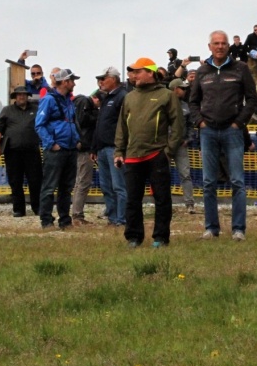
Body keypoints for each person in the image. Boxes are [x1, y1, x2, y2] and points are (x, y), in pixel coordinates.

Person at [190, 30, 257, 242]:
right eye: (216, 43)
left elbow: (252, 99)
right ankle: (211, 229)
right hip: (208, 131)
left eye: (223, 43)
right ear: (209, 47)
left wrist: (239, 123)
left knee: (237, 181)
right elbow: (193, 102)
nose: (220, 46)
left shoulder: (241, 68)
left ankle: (238, 230)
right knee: (208, 182)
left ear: (228, 46)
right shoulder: (202, 71)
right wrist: (200, 122)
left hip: (233, 131)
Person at [115, 58, 184, 249]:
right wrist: (119, 151)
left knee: (162, 199)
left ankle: (161, 238)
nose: (133, 75)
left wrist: (168, 152)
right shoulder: (129, 97)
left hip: (156, 155)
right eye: (132, 72)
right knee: (132, 200)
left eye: (137, 72)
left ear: (150, 73)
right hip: (132, 156)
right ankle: (133, 237)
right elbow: (121, 127)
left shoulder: (167, 95)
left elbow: (178, 126)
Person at [35, 69, 81, 230]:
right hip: (56, 150)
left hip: (70, 149)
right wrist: (51, 144)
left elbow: (72, 122)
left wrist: (77, 140)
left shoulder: (69, 101)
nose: (74, 84)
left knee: (66, 188)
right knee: (49, 186)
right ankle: (46, 220)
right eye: (72, 80)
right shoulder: (48, 100)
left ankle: (65, 220)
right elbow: (39, 125)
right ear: (65, 82)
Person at [0, 86, 42, 217]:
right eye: (19, 94)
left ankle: (38, 208)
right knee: (15, 181)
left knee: (35, 180)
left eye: (24, 94)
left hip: (32, 152)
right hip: (12, 152)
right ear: (15, 97)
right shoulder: (7, 110)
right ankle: (19, 209)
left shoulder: (36, 109)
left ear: (27, 96)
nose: (21, 97)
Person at [92, 67, 129, 226]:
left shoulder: (122, 96)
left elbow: (125, 124)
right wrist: (94, 147)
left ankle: (122, 219)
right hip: (102, 149)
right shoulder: (107, 97)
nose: (100, 82)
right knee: (106, 186)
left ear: (113, 79)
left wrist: (121, 148)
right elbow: (100, 124)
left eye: (103, 78)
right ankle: (113, 218)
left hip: (115, 149)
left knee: (119, 185)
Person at [168, 79, 197, 213]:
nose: (185, 91)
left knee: (185, 174)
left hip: (181, 145)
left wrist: (188, 139)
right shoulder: (164, 104)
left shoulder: (185, 106)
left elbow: (190, 125)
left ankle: (189, 203)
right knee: (162, 174)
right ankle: (164, 203)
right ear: (175, 89)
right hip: (166, 145)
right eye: (182, 88)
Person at [71, 89, 98, 225]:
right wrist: (97, 115)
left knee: (79, 181)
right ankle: (77, 215)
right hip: (85, 147)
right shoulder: (85, 103)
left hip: (79, 146)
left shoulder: (76, 103)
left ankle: (76, 213)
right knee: (83, 181)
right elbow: (83, 120)